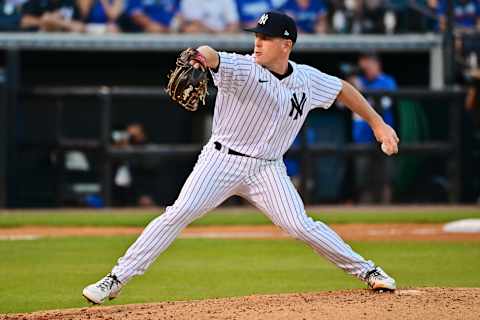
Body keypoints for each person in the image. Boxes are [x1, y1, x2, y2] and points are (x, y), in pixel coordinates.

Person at [82, 11, 399, 305]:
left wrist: (378, 124)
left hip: (267, 168)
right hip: (220, 161)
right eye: (256, 37)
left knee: (301, 225)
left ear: (286, 45)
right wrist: (197, 56)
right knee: (178, 213)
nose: (257, 43)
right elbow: (211, 53)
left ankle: (368, 271)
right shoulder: (243, 68)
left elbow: (343, 89)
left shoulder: (306, 79)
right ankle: (115, 278)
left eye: (265, 38)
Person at [350, 52, 397, 203]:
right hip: (361, 138)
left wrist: (361, 90)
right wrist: (353, 86)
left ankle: (387, 211)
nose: (366, 67)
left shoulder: (386, 81)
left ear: (377, 64)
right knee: (362, 180)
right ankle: (365, 213)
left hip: (383, 137)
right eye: (363, 63)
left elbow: (385, 104)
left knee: (385, 178)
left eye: (369, 63)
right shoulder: (355, 83)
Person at [20, 0, 85, 32]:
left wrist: (53, 21)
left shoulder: (69, 2)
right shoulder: (36, 1)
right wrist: (43, 21)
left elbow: (80, 27)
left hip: (66, 46)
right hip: (37, 45)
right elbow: (24, 22)